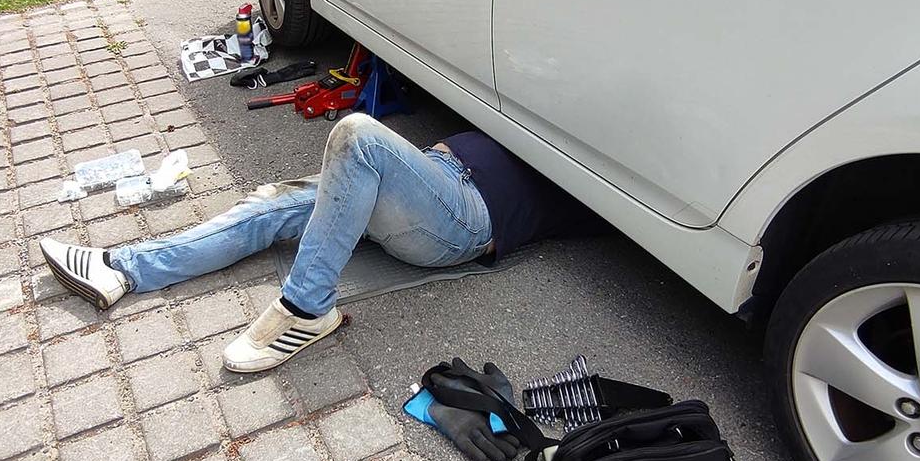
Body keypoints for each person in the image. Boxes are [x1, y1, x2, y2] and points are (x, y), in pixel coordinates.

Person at [41, 113, 600, 374]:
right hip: (425, 177)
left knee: (358, 136)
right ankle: (124, 268)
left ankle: (307, 307)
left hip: (464, 216)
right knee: (267, 209)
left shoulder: (602, 159)